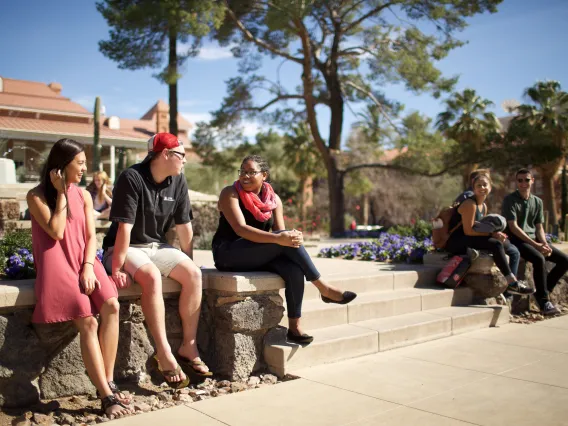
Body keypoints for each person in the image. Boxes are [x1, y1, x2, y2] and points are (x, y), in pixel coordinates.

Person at [26, 138, 131, 419]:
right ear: (61, 166)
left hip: (83, 259)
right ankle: (108, 397)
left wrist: (87, 266)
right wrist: (61, 192)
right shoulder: (35, 196)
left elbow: (89, 237)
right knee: (88, 320)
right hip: (56, 263)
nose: (85, 168)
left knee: (112, 305)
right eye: (80, 163)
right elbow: (57, 231)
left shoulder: (84, 195)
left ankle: (104, 382)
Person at [212, 154, 357, 344]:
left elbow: (280, 232)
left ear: (264, 175)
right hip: (228, 253)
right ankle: (323, 288)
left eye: (251, 172)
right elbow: (241, 229)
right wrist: (279, 238)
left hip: (255, 254)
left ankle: (295, 328)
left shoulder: (274, 200)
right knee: (284, 239)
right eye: (243, 172)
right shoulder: (230, 193)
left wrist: (292, 237)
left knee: (293, 269)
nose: (245, 176)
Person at [102, 132, 208, 388]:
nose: (184, 161)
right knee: (150, 276)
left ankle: (188, 347)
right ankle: (163, 351)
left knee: (194, 275)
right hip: (127, 247)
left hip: (156, 246)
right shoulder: (132, 177)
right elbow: (124, 229)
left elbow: (185, 227)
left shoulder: (178, 180)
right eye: (181, 155)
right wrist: (116, 268)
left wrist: (188, 262)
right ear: (165, 154)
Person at [445, 171, 533, 296]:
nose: (482, 188)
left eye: (485, 185)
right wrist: (492, 235)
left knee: (507, 245)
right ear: (474, 188)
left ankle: (512, 283)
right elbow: (468, 231)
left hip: (469, 237)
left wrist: (496, 233)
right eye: (478, 186)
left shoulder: (483, 206)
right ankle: (512, 283)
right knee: (495, 244)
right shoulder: (470, 204)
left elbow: (481, 228)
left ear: (490, 188)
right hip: (456, 241)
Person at [502, 168, 568, 315]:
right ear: (516, 182)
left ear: (532, 180)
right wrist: (536, 246)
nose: (523, 183)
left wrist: (544, 243)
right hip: (517, 240)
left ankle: (542, 292)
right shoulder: (510, 200)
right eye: (520, 180)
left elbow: (539, 227)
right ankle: (544, 302)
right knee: (539, 259)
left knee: (564, 260)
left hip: (535, 240)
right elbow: (513, 227)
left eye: (526, 180)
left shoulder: (537, 201)